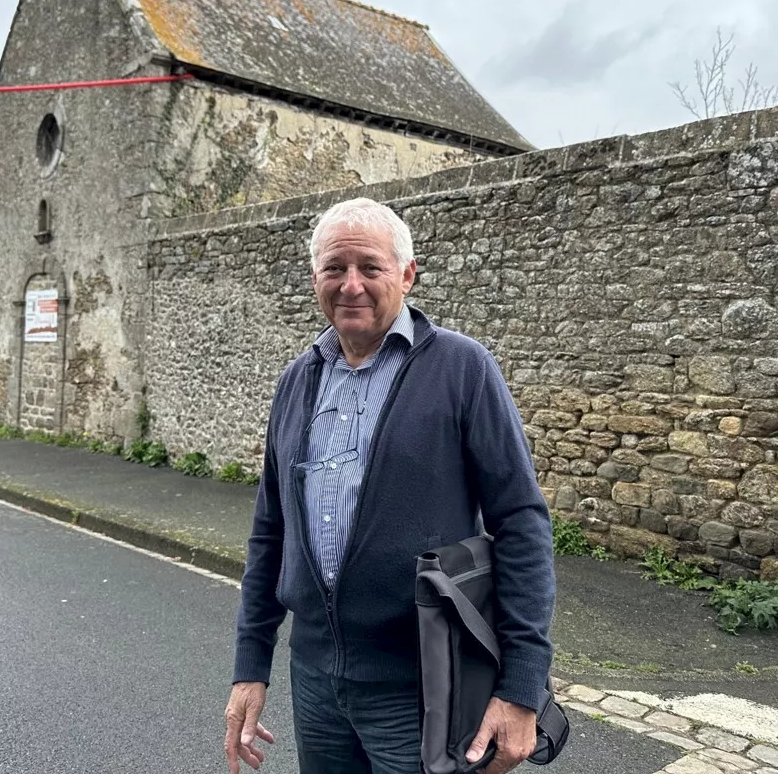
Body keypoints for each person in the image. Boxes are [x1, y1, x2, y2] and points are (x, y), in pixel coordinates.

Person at [224, 197, 556, 774]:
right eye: (335, 268)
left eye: (370, 268)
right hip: (317, 684)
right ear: (315, 279)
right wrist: (250, 667)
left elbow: (522, 522)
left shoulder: (461, 368)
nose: (351, 285)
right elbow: (270, 533)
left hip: (422, 687)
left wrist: (522, 686)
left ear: (406, 274)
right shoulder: (298, 380)